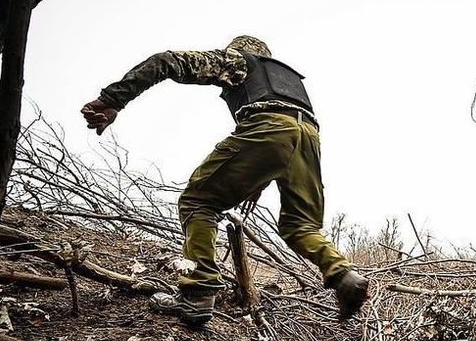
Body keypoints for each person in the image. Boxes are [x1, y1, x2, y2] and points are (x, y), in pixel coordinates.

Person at [81, 35, 368, 324]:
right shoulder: (289, 81)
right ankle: (343, 275)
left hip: (269, 128)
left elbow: (166, 62)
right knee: (301, 226)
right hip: (309, 137)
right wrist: (258, 180)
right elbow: (288, 133)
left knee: (198, 201)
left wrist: (112, 99)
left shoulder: (239, 61)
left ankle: (198, 293)